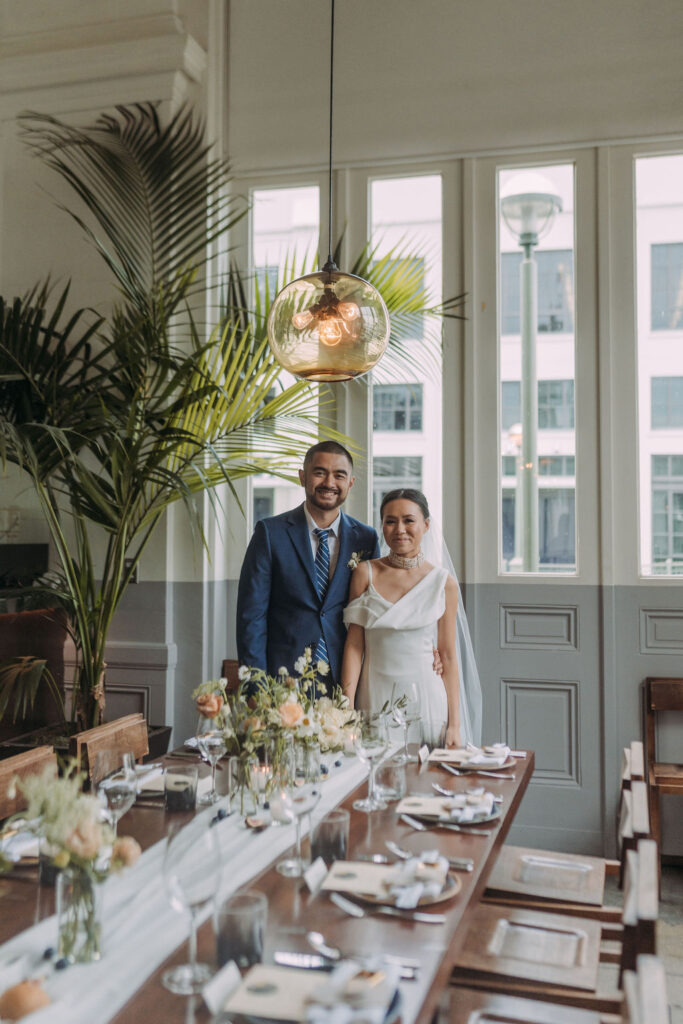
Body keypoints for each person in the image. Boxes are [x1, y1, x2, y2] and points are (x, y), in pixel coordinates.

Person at [341, 488, 482, 747]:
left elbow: (448, 655)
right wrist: (347, 707)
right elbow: (354, 645)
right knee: (375, 779)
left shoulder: (443, 583)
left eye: (409, 520)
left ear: (426, 525)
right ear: (382, 525)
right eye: (390, 521)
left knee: (425, 780)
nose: (399, 529)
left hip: (427, 699)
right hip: (374, 695)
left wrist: (454, 725)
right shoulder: (365, 573)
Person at [236, 441, 380, 687]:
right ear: (303, 477)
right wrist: (256, 688)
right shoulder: (270, 533)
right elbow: (251, 617)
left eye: (339, 475)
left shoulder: (366, 538)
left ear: (350, 483)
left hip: (346, 682)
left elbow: (376, 613)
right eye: (319, 472)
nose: (329, 483)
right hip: (282, 682)